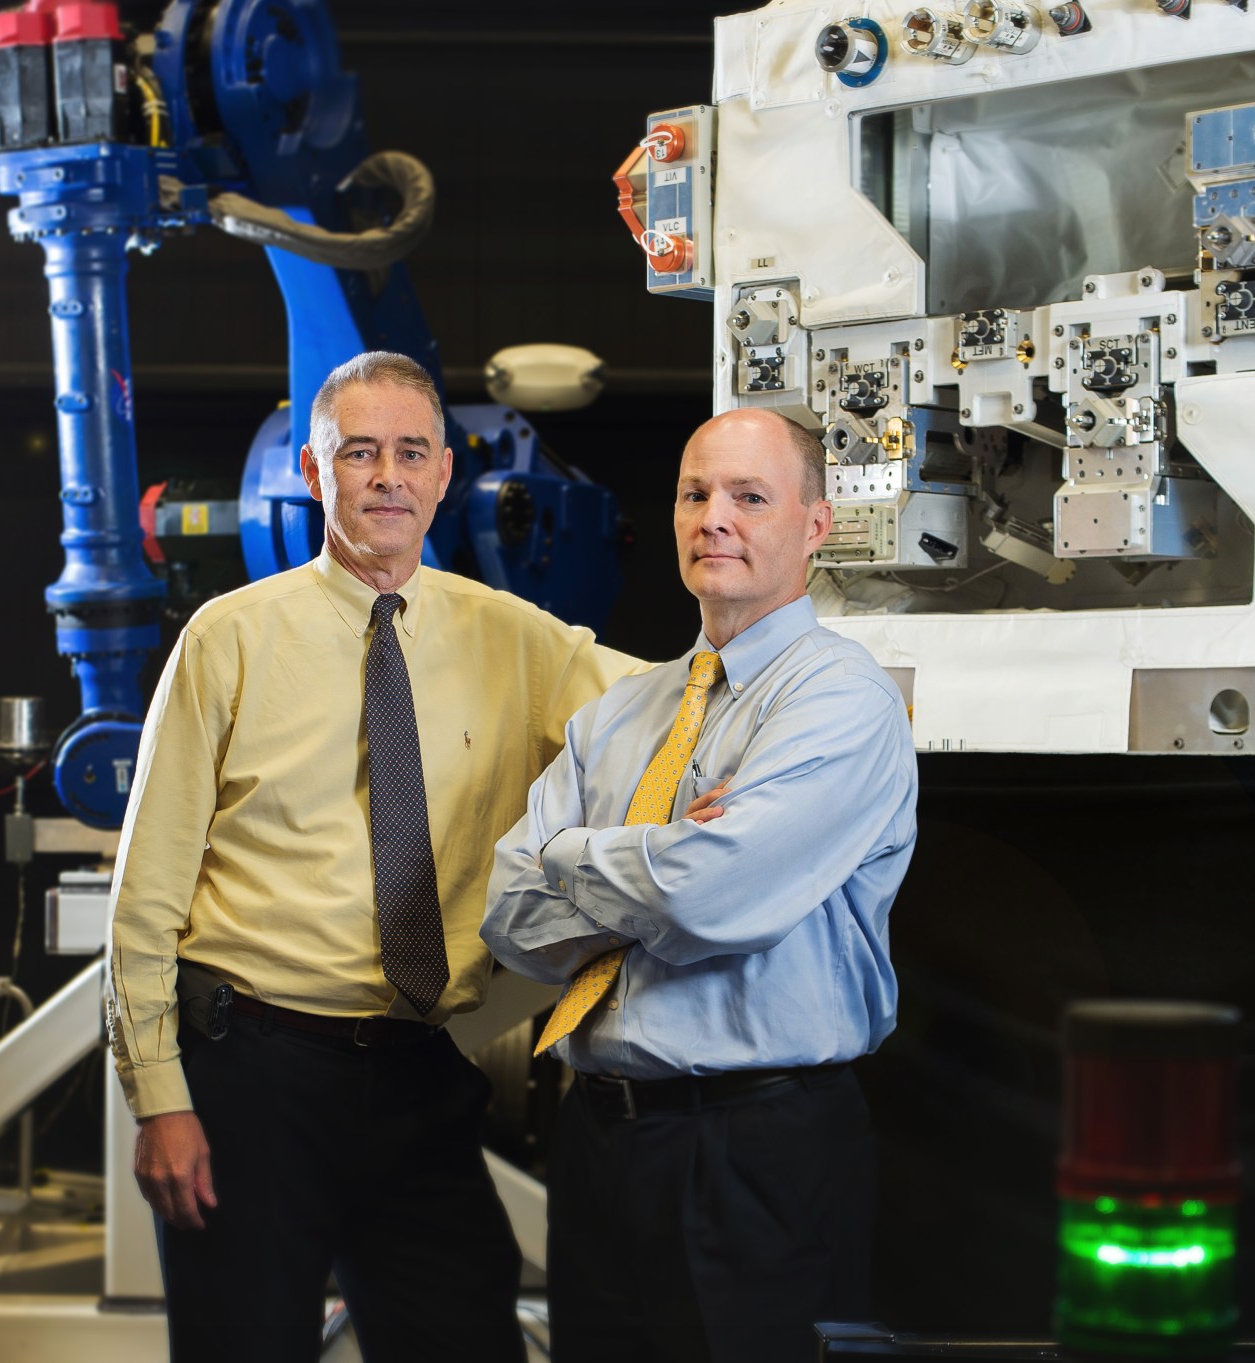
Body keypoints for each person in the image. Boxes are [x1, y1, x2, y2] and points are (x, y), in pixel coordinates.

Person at [105, 350, 640, 1361]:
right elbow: (145, 897)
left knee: (460, 1337)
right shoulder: (227, 641)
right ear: (314, 474)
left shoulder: (513, 640)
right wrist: (160, 1100)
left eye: (409, 452)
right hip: (251, 1075)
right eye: (358, 452)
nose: (386, 476)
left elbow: (655, 714)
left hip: (416, 1073)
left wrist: (794, 706)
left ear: (444, 472)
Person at [482, 407, 918, 1363]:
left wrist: (578, 854)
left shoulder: (843, 701)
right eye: (694, 493)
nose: (713, 516)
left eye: (749, 496)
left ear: (814, 524)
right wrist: (657, 853)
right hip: (601, 1142)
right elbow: (509, 913)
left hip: (757, 1149)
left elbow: (705, 897)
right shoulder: (619, 711)